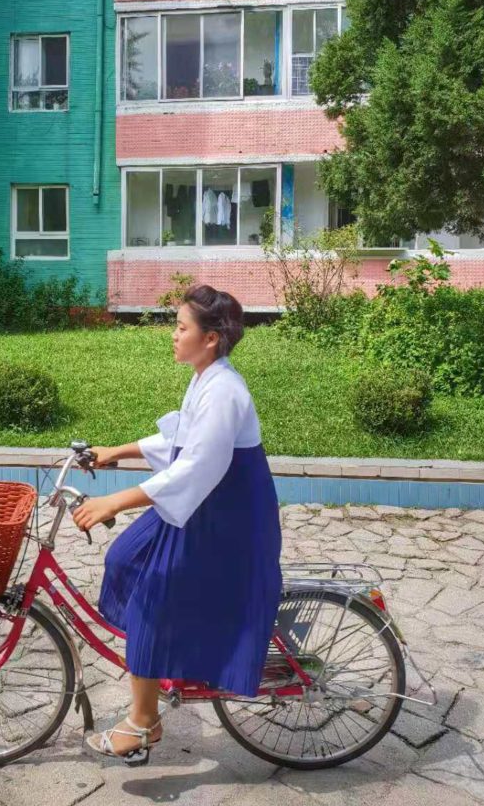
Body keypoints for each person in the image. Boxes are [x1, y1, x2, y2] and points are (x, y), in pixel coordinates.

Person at [72, 284, 282, 765]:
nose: (173, 335)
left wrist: (115, 503)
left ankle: (143, 723)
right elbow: (181, 442)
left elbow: (195, 469)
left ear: (210, 338)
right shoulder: (206, 377)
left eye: (181, 327)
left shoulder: (225, 391)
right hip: (202, 509)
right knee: (123, 558)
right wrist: (116, 452)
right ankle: (160, 658)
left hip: (227, 522)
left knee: (150, 597)